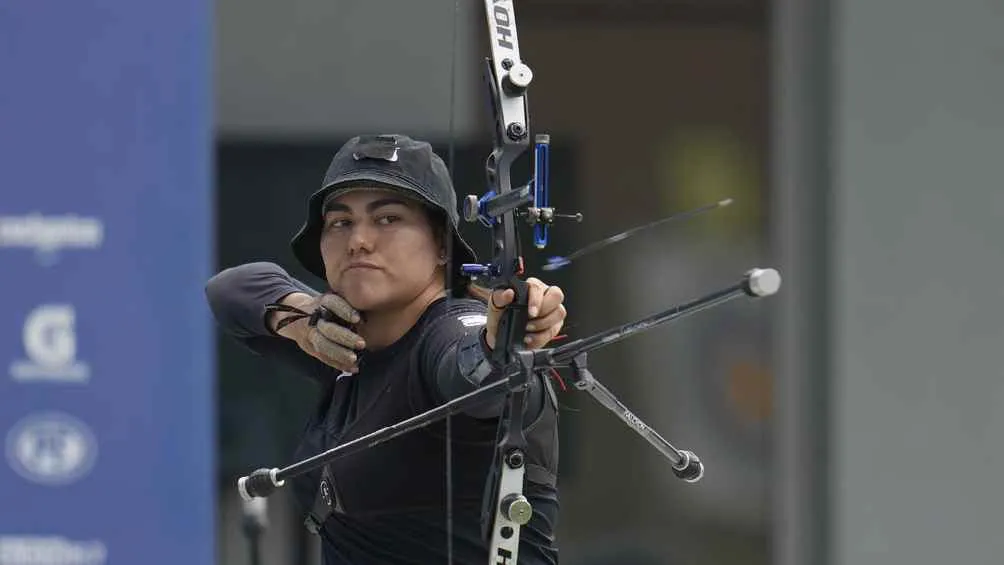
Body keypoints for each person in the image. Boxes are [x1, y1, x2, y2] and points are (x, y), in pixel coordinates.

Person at [205, 134, 567, 565]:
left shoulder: (446, 334)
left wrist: (503, 343)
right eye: (340, 222)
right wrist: (302, 319)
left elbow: (477, 375)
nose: (358, 240)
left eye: (388, 218)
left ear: (440, 246)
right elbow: (230, 289)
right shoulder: (342, 343)